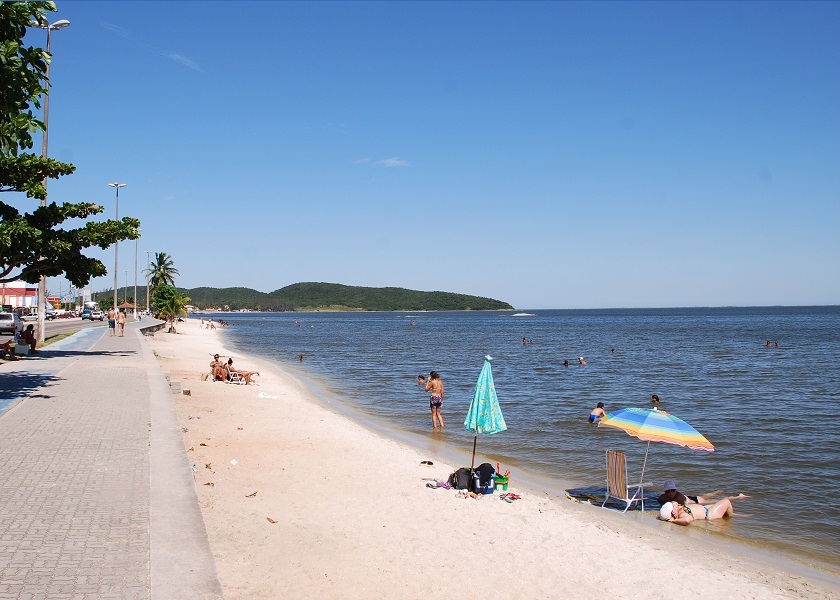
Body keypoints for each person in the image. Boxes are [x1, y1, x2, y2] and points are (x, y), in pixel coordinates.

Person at [659, 498, 735, 525]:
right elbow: (687, 521)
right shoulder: (682, 514)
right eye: (673, 506)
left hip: (706, 508)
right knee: (727, 502)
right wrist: (672, 521)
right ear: (673, 513)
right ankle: (730, 519)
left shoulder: (678, 509)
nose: (674, 504)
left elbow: (674, 502)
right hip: (710, 513)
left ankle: (730, 516)